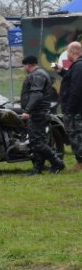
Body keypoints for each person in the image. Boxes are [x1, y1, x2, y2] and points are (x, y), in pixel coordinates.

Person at [19, 55, 65, 175]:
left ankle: (57, 162)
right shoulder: (39, 74)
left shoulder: (37, 75)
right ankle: (37, 169)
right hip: (38, 112)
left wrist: (27, 110)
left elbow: (37, 95)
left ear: (29, 64)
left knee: (36, 142)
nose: (24, 68)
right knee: (37, 141)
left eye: (24, 65)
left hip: (38, 113)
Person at [59, 42, 82, 170]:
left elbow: (76, 89)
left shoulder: (78, 66)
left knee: (76, 135)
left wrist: (69, 109)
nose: (67, 54)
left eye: (67, 51)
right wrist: (62, 71)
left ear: (73, 52)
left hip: (75, 111)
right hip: (75, 109)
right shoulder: (77, 66)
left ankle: (81, 162)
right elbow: (72, 79)